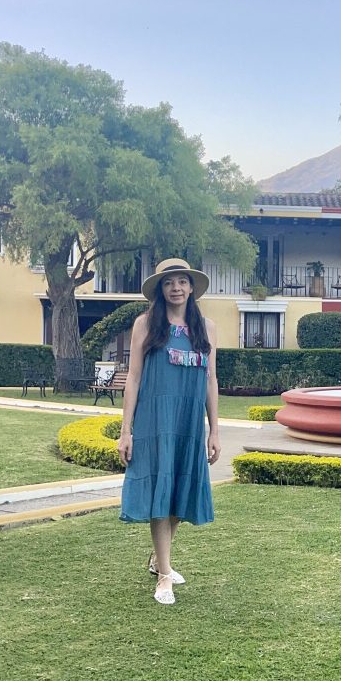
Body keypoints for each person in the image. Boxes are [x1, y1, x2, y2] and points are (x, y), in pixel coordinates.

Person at [117, 258, 221, 605]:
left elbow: (210, 380)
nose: (176, 288)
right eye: (168, 283)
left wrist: (214, 430)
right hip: (155, 419)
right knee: (161, 489)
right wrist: (126, 430)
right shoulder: (145, 324)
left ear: (192, 287)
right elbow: (133, 378)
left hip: (189, 423)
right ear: (160, 290)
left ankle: (157, 558)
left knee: (179, 490)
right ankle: (164, 574)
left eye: (182, 281)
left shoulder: (207, 328)